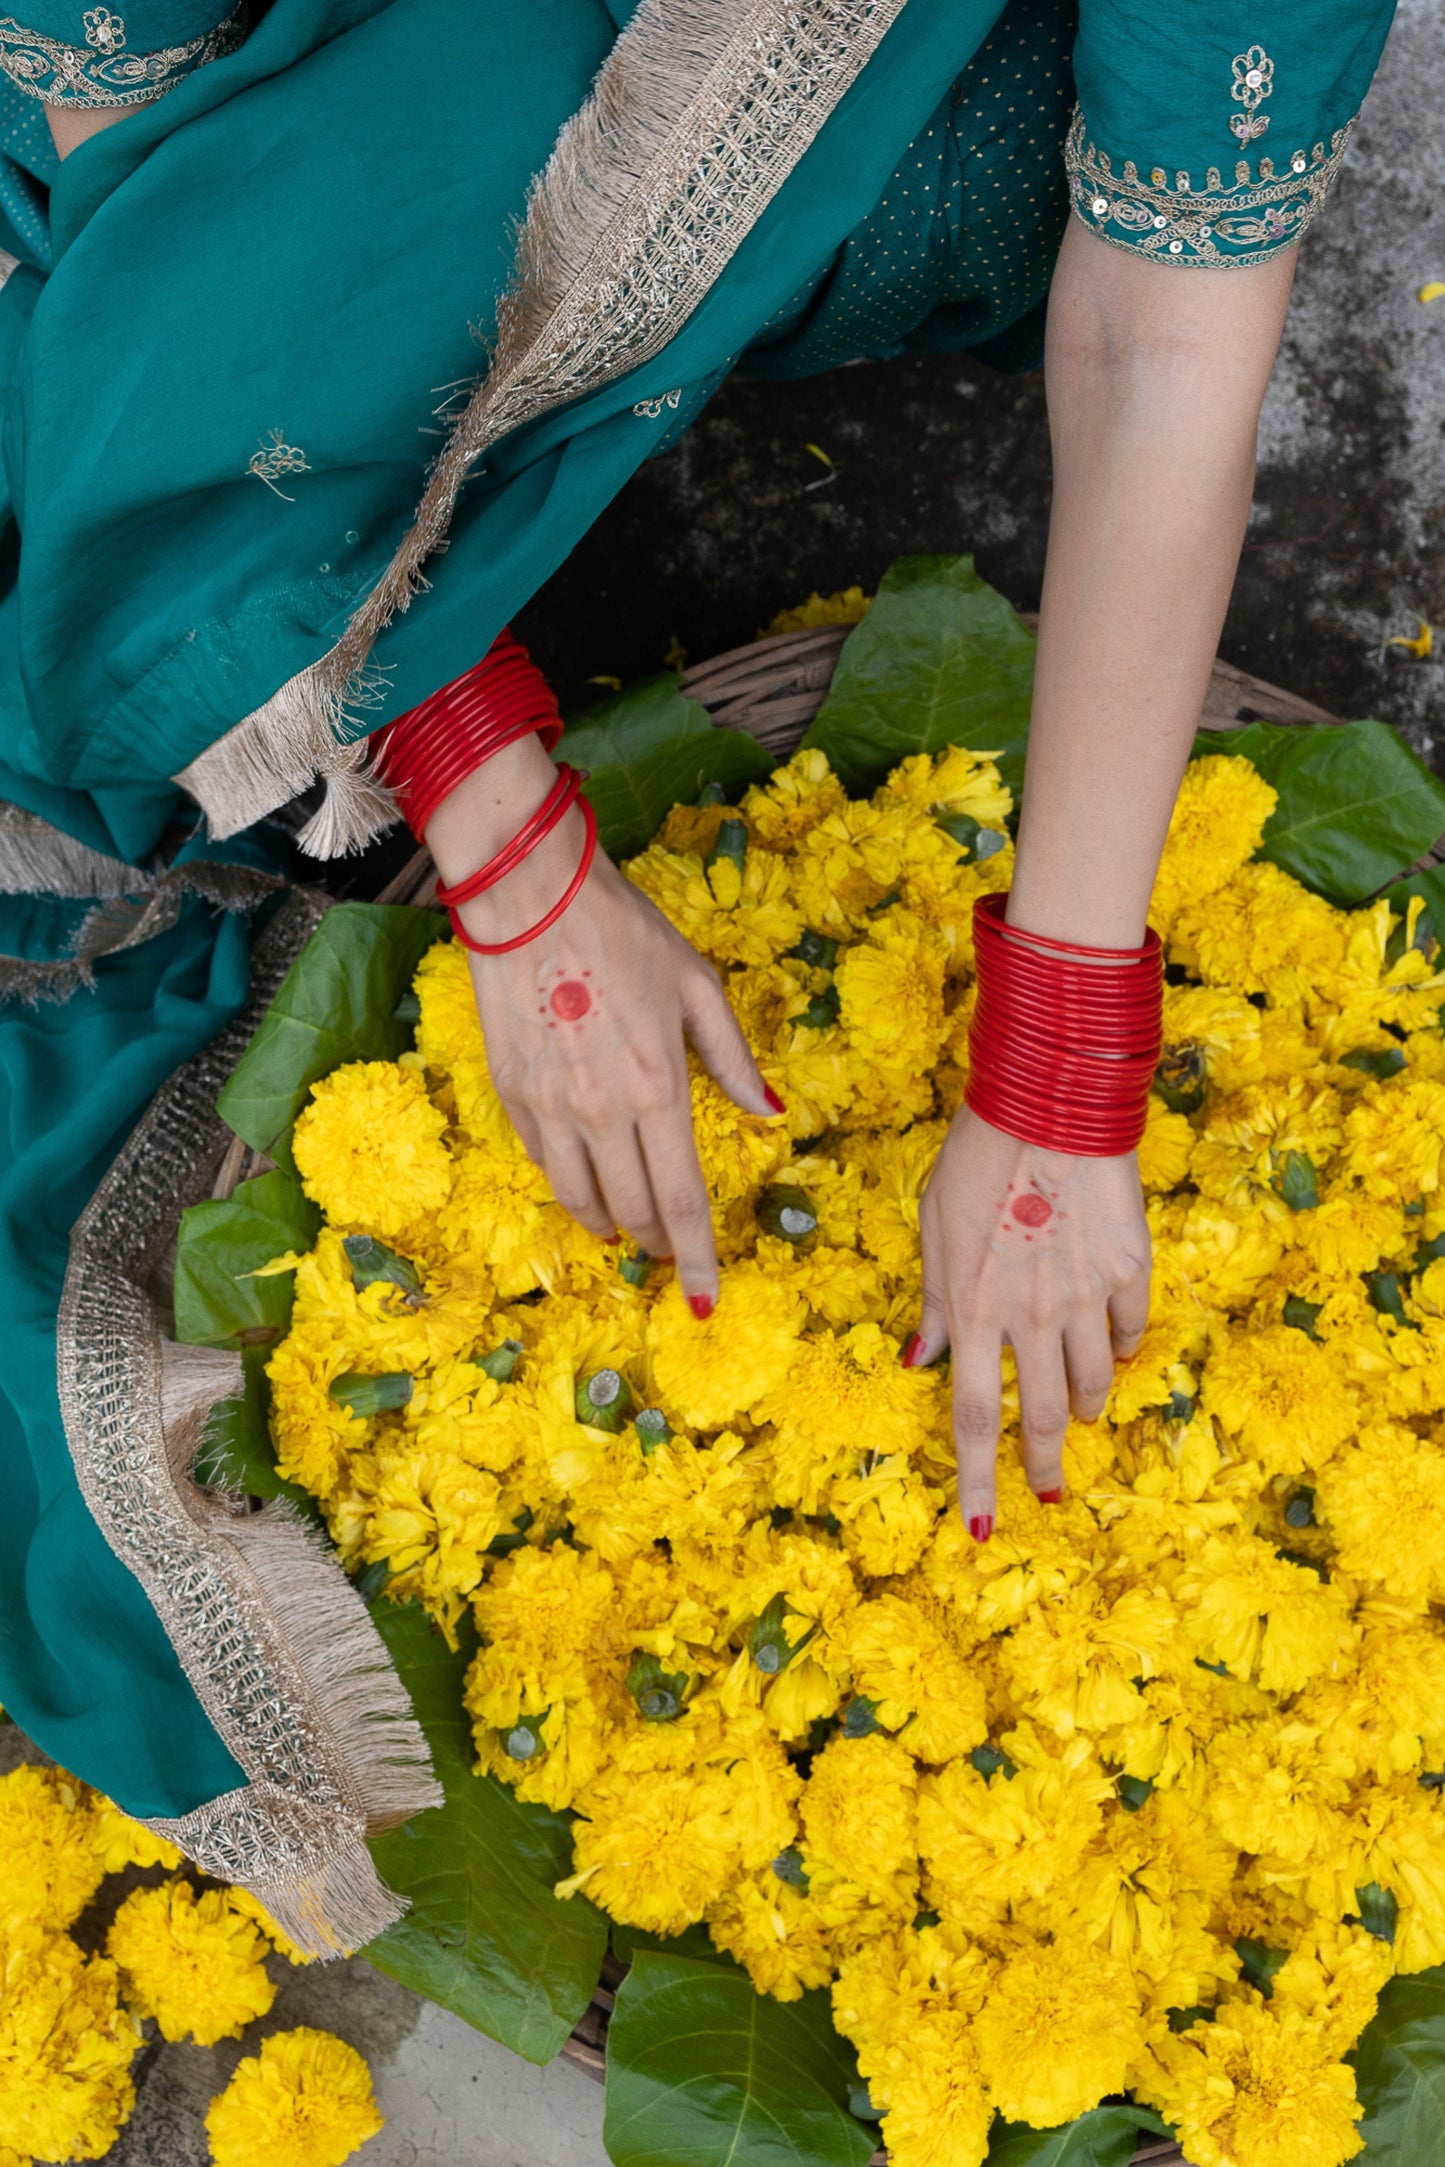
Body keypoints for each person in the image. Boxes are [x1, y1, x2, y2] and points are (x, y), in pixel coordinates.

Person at [0, 0, 1398, 1951]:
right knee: (173, 344)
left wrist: (1061, 1064)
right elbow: (126, 123)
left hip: (863, 88)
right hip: (321, 111)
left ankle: (380, 525)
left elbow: (1164, 333)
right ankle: (321, 607)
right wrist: (495, 816)